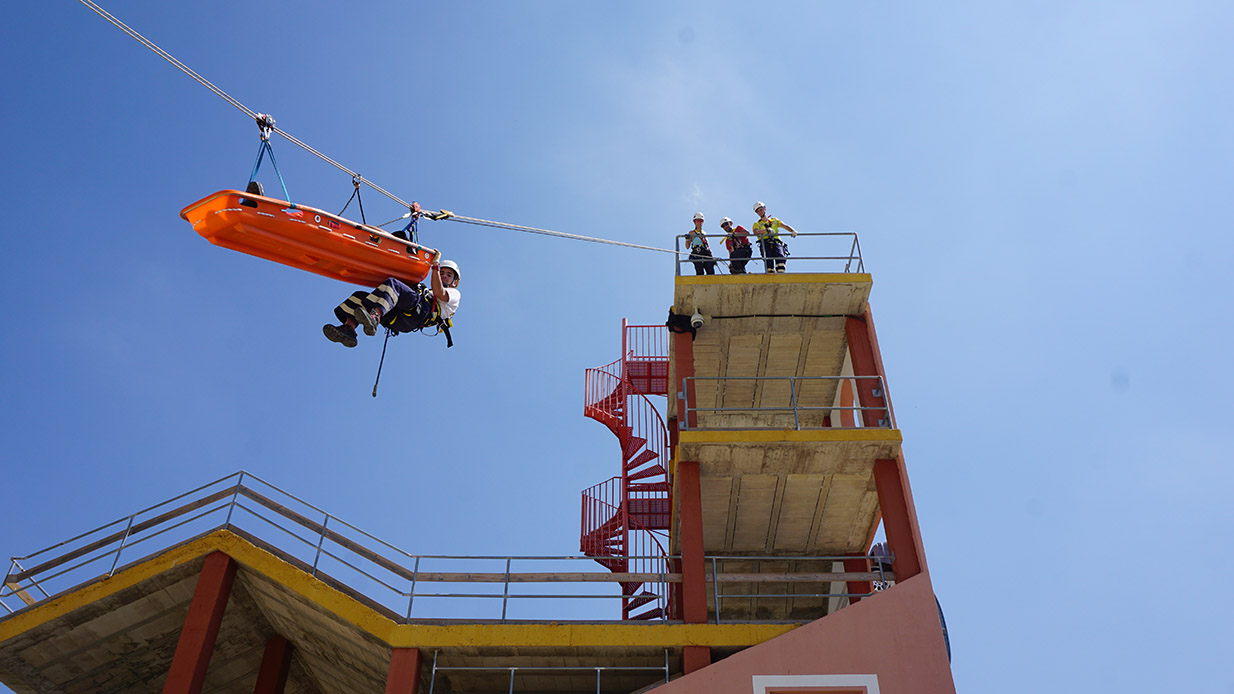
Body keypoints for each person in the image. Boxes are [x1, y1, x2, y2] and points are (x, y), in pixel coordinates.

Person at [322, 258, 461, 348]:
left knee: (394, 284)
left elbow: (439, 293)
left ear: (454, 281)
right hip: (398, 318)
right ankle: (349, 329)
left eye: (448, 275)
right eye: (442, 272)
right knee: (360, 297)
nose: (444, 275)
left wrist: (436, 266)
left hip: (417, 314)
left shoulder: (454, 294)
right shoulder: (426, 290)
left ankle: (374, 317)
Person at [752, 201, 797, 274]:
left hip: (776, 242)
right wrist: (766, 230)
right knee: (768, 260)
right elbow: (755, 232)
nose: (760, 212)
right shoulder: (757, 224)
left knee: (780, 258)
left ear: (764, 209)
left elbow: (784, 226)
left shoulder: (774, 221)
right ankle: (770, 274)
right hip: (765, 243)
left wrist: (792, 231)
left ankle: (781, 273)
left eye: (761, 210)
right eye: (758, 211)